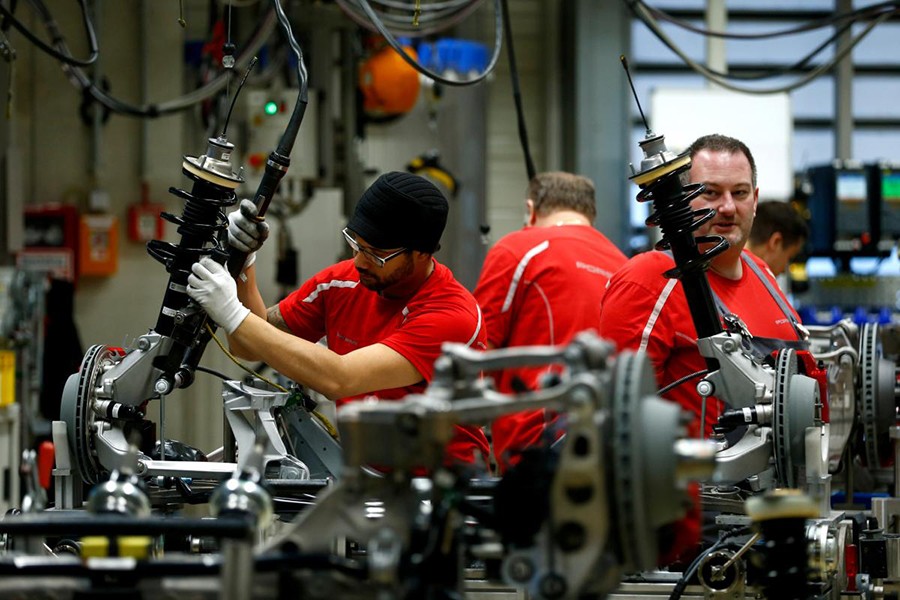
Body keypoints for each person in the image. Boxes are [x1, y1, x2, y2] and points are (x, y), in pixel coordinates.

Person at [186, 171, 491, 469]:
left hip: (446, 490)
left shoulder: (450, 316)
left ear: (423, 253)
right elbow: (250, 346)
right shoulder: (341, 283)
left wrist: (232, 313)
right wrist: (245, 264)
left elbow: (341, 380)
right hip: (369, 480)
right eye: (355, 243)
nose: (359, 261)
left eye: (376, 253)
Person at [598, 133, 807, 565]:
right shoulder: (652, 278)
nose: (727, 207)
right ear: (682, 197)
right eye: (709, 192)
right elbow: (611, 414)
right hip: (691, 530)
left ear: (756, 199)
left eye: (739, 193)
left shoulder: (765, 277)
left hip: (773, 516)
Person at [473, 171, 628, 473]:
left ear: (530, 210)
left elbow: (478, 351)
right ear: (590, 215)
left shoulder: (518, 248)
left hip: (535, 443)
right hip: (612, 441)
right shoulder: (624, 264)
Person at [746, 200, 809, 276]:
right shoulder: (759, 284)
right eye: (789, 258)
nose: (784, 271)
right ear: (775, 242)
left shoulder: (730, 265)